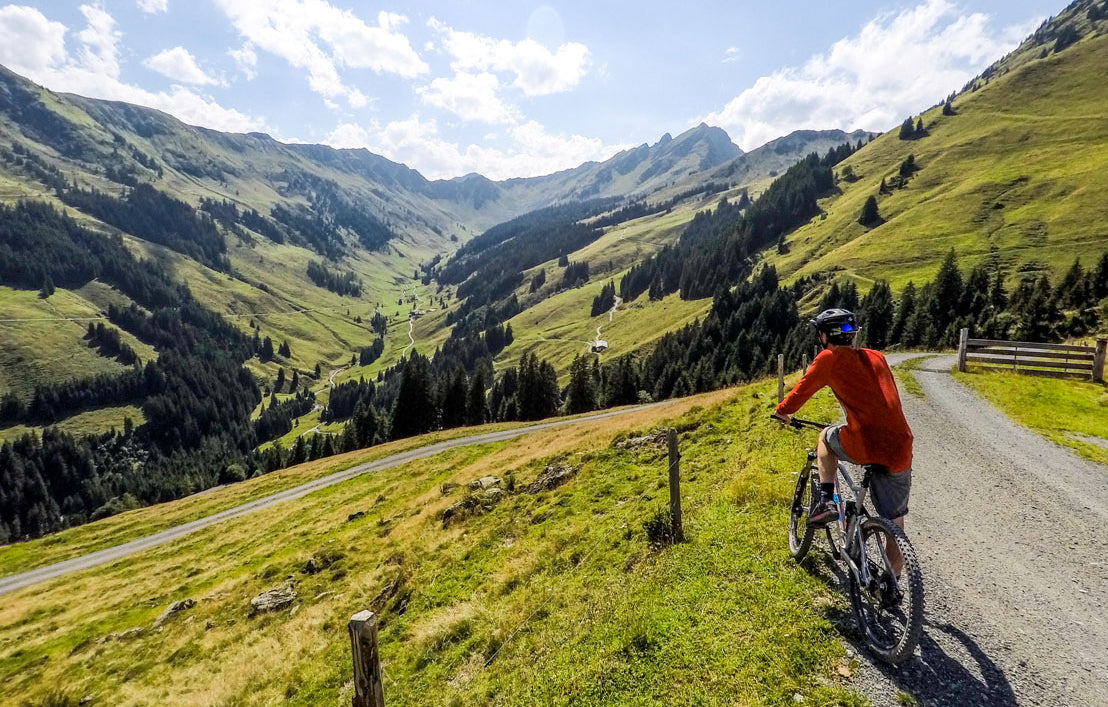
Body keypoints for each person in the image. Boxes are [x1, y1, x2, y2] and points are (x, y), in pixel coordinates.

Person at [772, 308, 913, 575]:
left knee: (825, 437)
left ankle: (826, 501)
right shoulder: (878, 357)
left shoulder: (829, 358)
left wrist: (782, 412)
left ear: (824, 336)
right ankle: (891, 585)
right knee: (895, 520)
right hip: (901, 445)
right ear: (852, 335)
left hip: (865, 442)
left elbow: (799, 393)